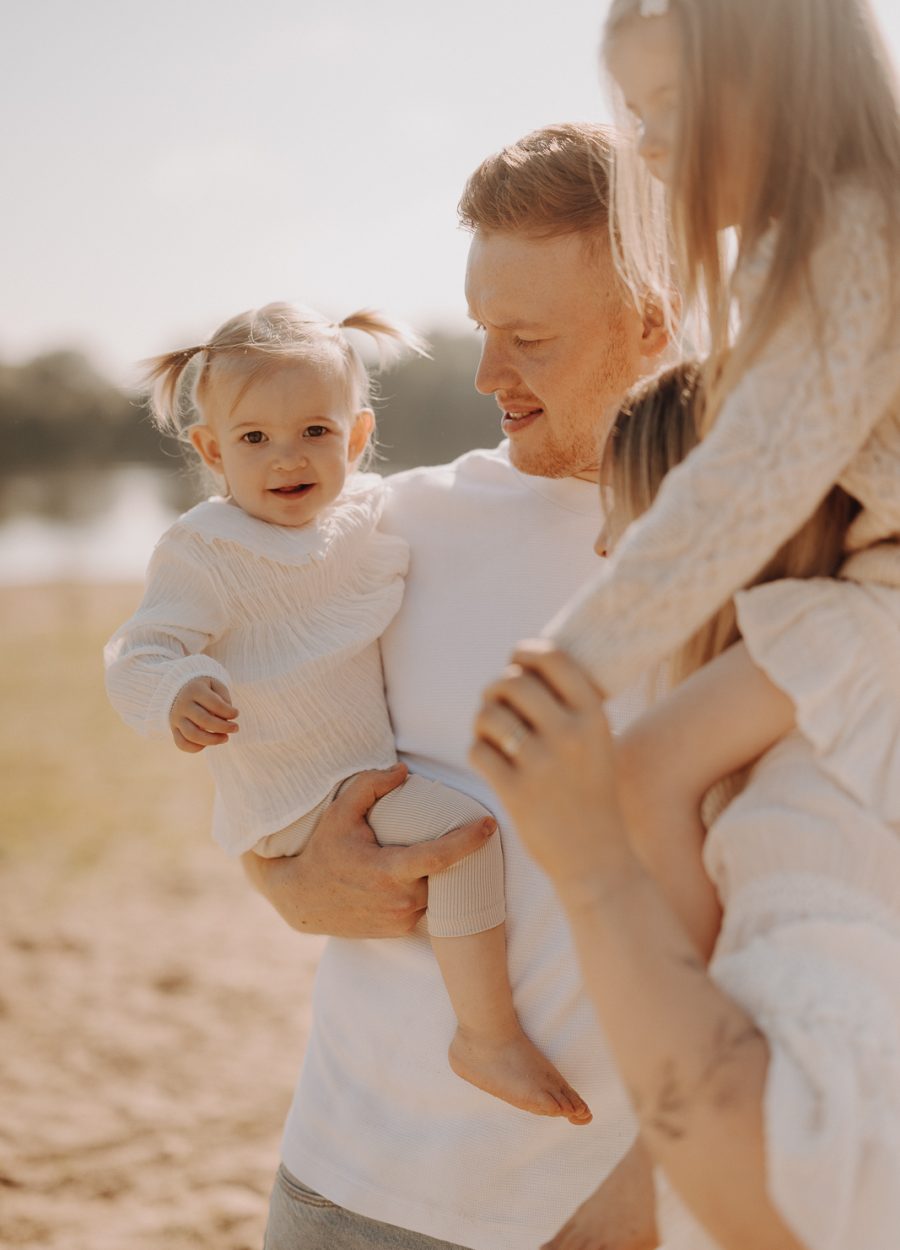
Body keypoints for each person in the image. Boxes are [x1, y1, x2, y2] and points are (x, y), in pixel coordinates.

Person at [472, 0, 900, 1245]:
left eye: (666, 110)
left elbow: (741, 486)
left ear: (776, 82)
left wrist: (575, 660)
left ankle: (703, 1014)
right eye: (633, 114)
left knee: (645, 764)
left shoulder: (842, 237)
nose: (645, 148)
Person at [244, 124, 670, 1250]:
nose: (487, 376)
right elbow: (266, 744)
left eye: (528, 337)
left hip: (638, 1195)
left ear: (655, 324)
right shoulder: (395, 527)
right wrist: (283, 876)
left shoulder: (784, 544)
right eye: (484, 331)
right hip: (371, 1180)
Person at [104, 300, 592, 1124]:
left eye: (316, 433)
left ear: (358, 438)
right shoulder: (207, 547)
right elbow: (137, 651)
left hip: (351, 772)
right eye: (253, 439)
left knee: (455, 836)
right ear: (212, 450)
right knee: (465, 840)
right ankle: (486, 1034)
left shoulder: (363, 517)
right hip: (297, 796)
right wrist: (177, 688)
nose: (286, 458)